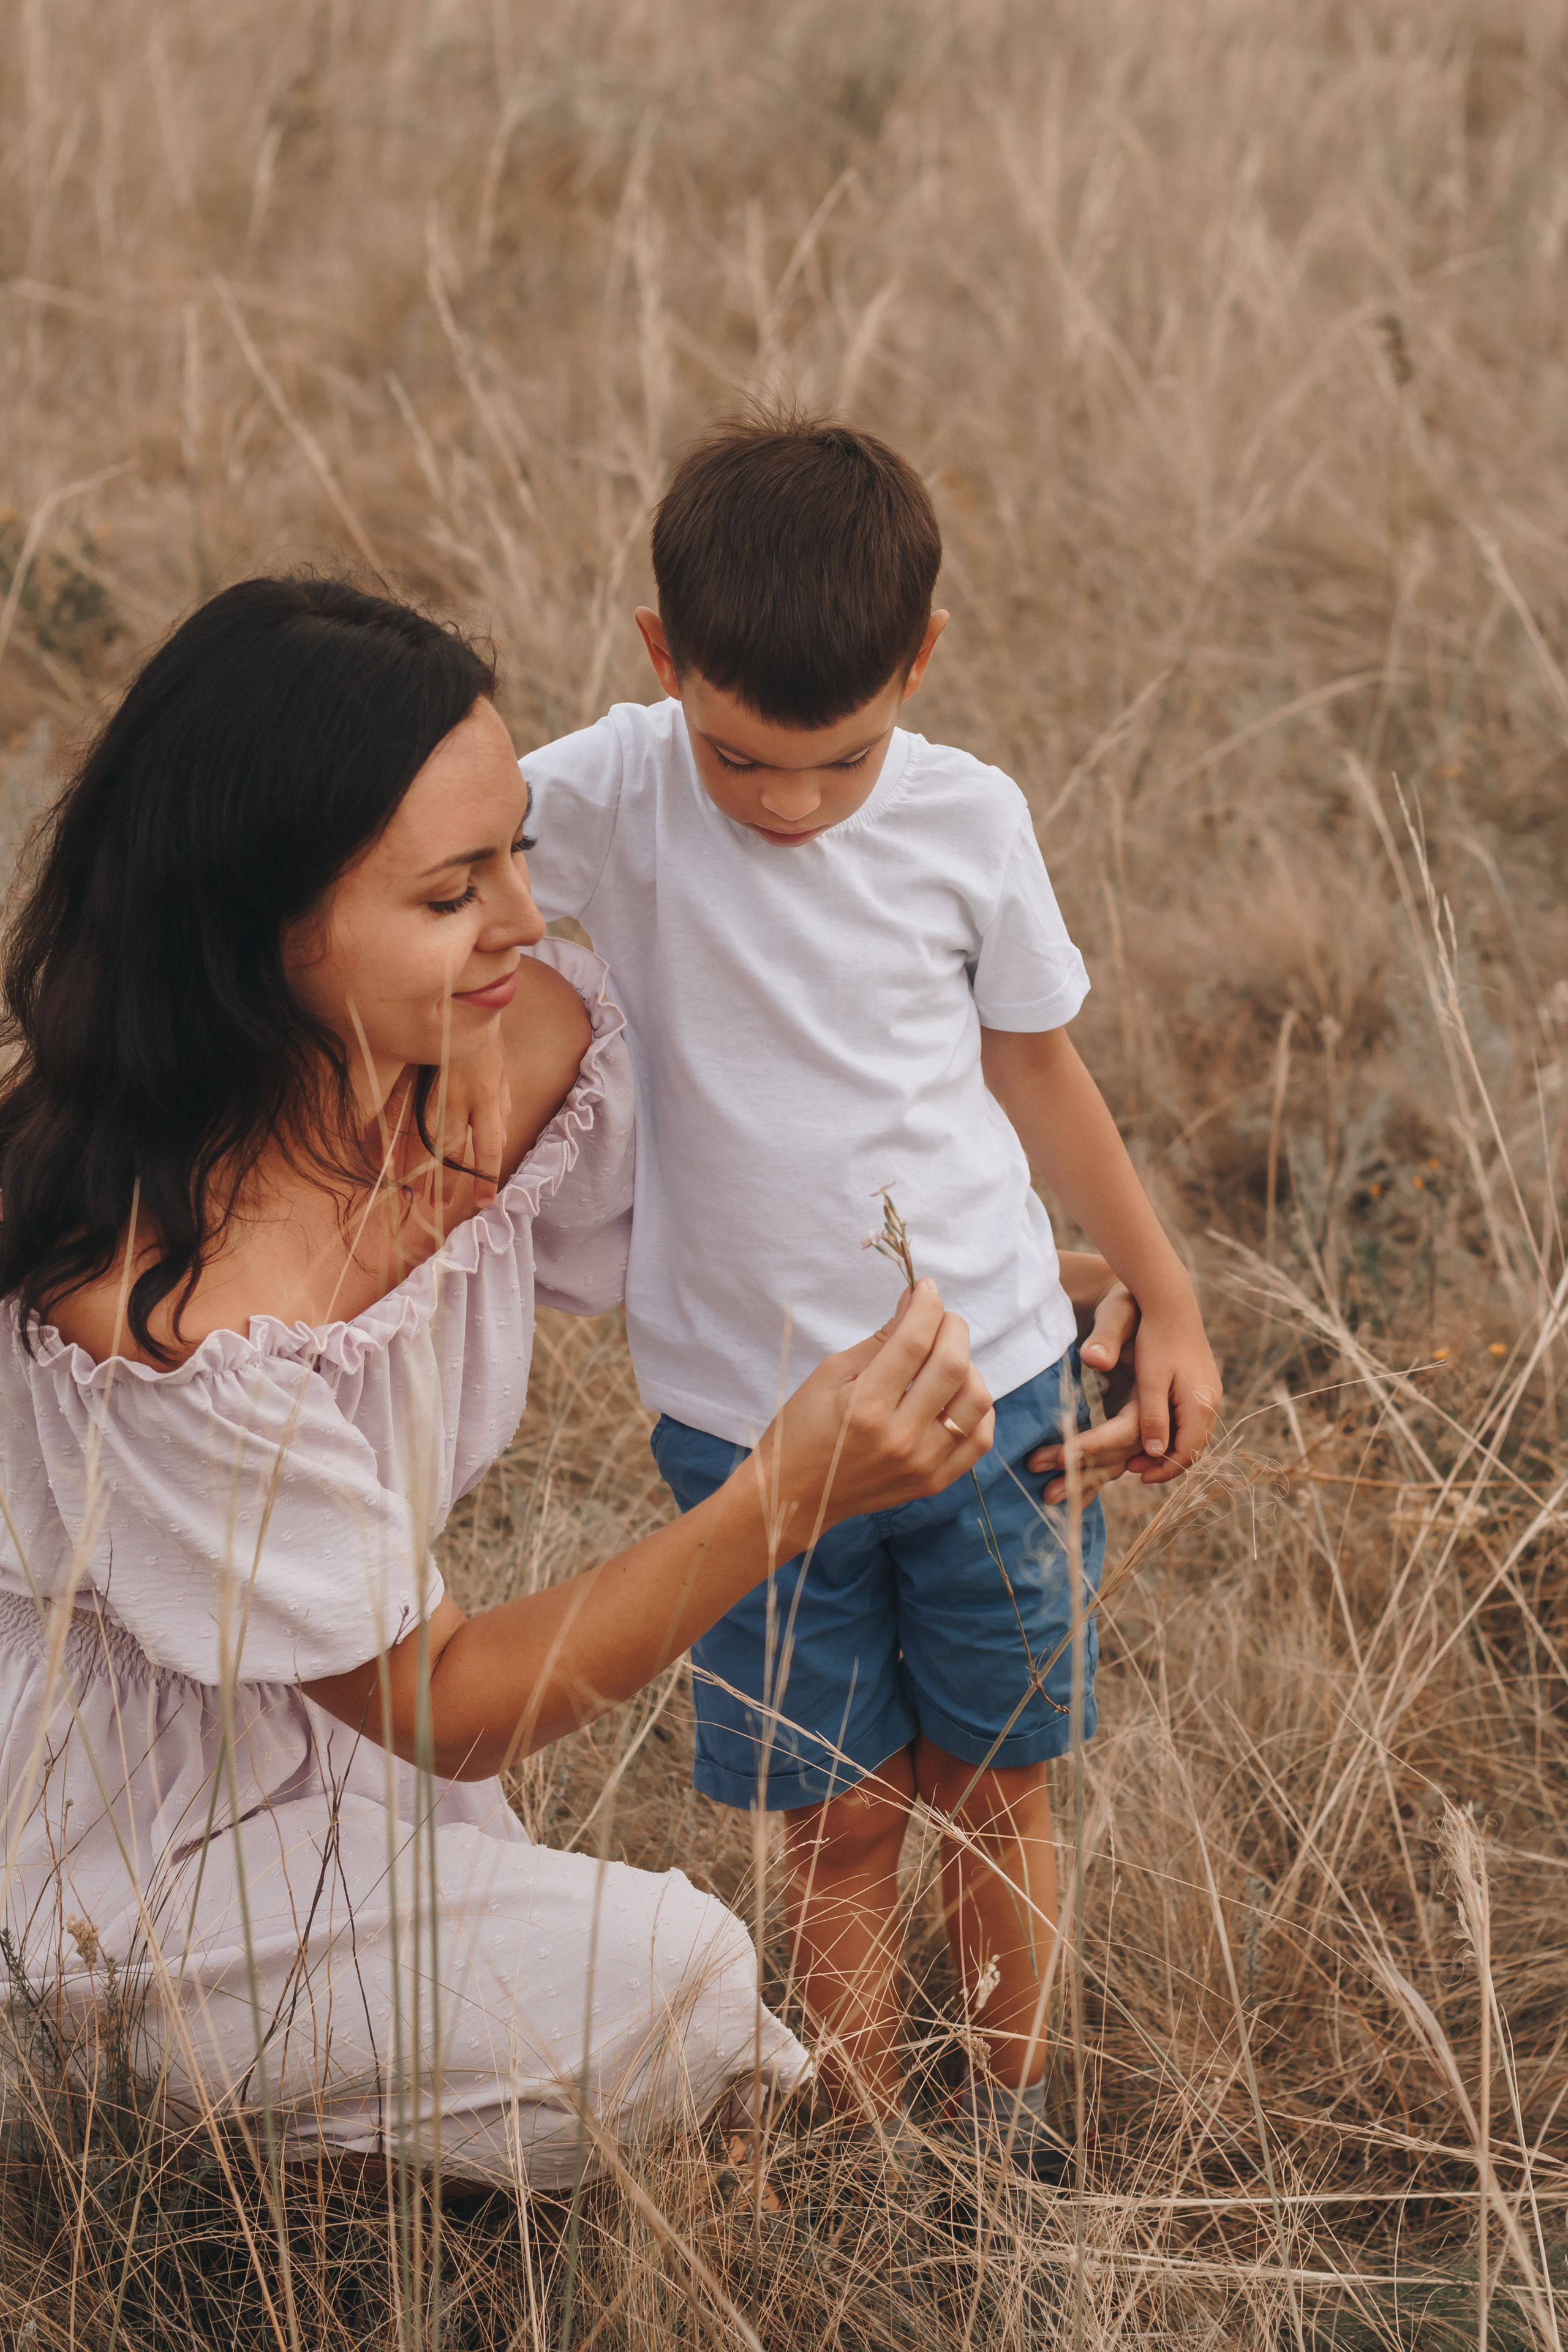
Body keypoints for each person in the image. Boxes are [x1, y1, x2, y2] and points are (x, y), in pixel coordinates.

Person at [0, 575, 1000, 2192]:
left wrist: (1028, 1290)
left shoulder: (495, 1046)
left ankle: (403, 2125)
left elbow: (759, 1161)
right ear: (259, 931)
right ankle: (171, 2142)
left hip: (339, 1779)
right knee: (671, 1972)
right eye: (452, 891)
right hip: (107, 1864)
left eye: (518, 850)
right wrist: (789, 1494)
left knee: (632, 1992)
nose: (528, 923)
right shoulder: (168, 1307)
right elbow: (444, 1710)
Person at [514, 411, 1223, 2174]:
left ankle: (1014, 2122)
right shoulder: (610, 787)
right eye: (745, 759)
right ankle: (872, 2133)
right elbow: (424, 851)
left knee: (997, 1792)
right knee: (833, 1821)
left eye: (838, 760)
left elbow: (1038, 1073)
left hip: (1000, 1400)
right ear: (666, 662)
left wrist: (1168, 1298)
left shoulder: (971, 818)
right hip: (743, 1434)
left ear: (921, 665)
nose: (791, 805)